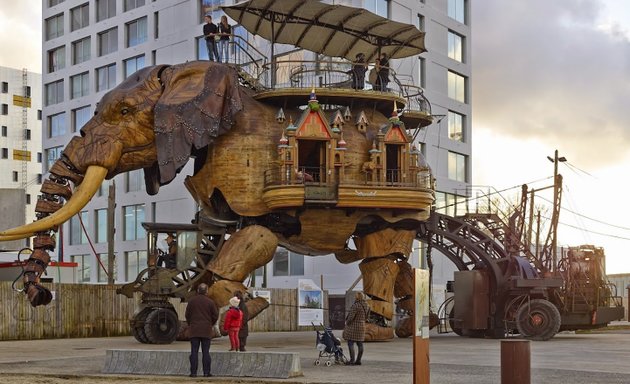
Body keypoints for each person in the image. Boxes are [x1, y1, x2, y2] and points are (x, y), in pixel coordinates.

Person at [185, 283, 219, 377]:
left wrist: (191, 324)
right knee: (206, 352)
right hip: (206, 330)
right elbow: (215, 316)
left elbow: (187, 315)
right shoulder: (210, 302)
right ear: (206, 291)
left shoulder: (191, 301)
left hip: (194, 330)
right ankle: (206, 372)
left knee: (194, 352)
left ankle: (193, 373)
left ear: (197, 291)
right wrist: (210, 324)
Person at [342, 292, 370, 366]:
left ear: (357, 297)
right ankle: (358, 360)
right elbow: (367, 317)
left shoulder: (356, 305)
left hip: (353, 327)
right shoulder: (367, 305)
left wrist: (347, 322)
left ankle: (352, 360)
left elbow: (351, 317)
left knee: (350, 343)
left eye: (355, 296)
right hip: (362, 326)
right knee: (360, 344)